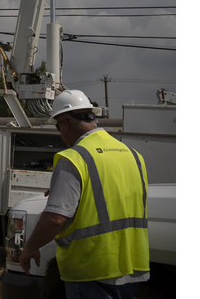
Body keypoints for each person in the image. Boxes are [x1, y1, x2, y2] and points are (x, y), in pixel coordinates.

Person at [19, 89, 150, 299]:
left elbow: (55, 218)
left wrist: (30, 248)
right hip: (134, 266)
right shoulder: (133, 155)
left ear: (65, 124)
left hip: (92, 268)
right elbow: (116, 195)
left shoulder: (73, 158)